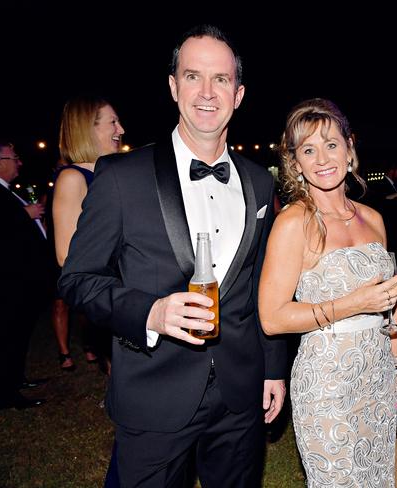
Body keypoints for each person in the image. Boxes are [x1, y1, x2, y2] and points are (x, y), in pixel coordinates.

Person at [59, 24, 287, 487]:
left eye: (221, 79)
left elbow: (264, 283)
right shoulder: (121, 177)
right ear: (172, 85)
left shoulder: (259, 183)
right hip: (153, 392)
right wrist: (151, 312)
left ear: (239, 94)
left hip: (240, 394)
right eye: (192, 76)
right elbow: (77, 279)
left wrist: (274, 370)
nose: (207, 92)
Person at [259, 98, 397, 487]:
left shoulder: (373, 218)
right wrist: (352, 304)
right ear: (295, 163)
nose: (322, 158)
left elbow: (390, 303)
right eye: (308, 149)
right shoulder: (293, 222)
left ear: (349, 148)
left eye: (331, 144)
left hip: (377, 377)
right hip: (326, 382)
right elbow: (272, 317)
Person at [50, 95, 125, 371]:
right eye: (113, 122)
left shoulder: (114, 173)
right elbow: (65, 255)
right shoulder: (73, 178)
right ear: (88, 129)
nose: (121, 130)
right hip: (111, 292)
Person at [0, 141, 52, 410]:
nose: (18, 162)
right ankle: (6, 392)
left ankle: (15, 379)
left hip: (21, 281)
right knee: (9, 335)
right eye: (13, 157)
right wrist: (24, 215)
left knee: (18, 335)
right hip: (9, 282)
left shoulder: (9, 192)